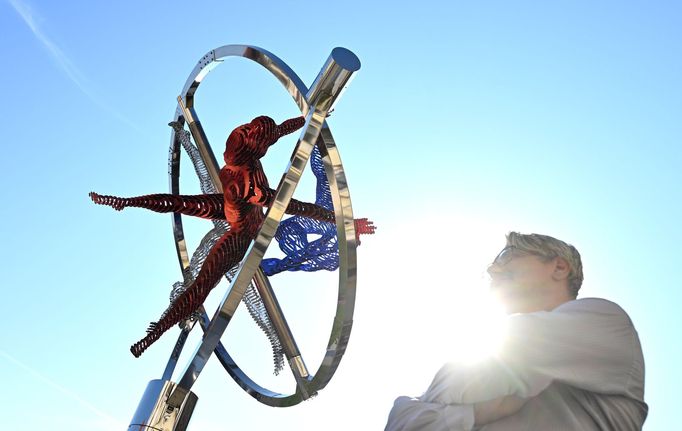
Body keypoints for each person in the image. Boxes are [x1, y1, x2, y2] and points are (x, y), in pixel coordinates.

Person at [385, 232, 647, 430]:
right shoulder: (499, 341)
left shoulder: (605, 321)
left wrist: (442, 414)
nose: (493, 270)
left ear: (558, 267)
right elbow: (400, 420)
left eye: (507, 258)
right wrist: (474, 414)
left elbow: (466, 377)